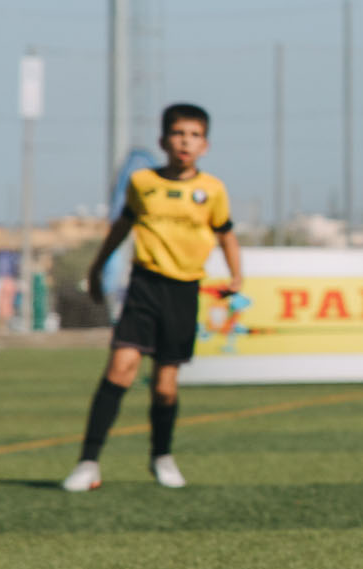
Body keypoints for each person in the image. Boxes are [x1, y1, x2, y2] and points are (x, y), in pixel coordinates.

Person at [60, 104, 241, 491]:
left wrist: (236, 275)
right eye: (178, 134)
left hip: (184, 290)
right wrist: (97, 267)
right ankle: (88, 463)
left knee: (164, 386)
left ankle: (162, 456)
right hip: (145, 286)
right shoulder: (143, 183)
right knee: (120, 370)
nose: (185, 142)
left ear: (205, 145)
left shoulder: (212, 190)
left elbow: (225, 234)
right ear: (163, 141)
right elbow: (121, 227)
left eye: (194, 135)